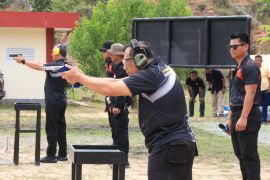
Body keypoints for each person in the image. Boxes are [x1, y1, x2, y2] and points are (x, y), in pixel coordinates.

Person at [61, 39, 197, 180]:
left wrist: (81, 78)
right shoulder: (157, 69)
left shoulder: (152, 75)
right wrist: (83, 78)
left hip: (169, 145)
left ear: (139, 58)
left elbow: (110, 89)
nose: (124, 66)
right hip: (175, 144)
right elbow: (116, 82)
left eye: (126, 61)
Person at [15, 44, 69, 163]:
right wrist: (27, 60)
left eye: (52, 52)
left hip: (53, 102)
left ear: (57, 53)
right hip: (61, 100)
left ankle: (51, 155)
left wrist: (23, 61)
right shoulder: (64, 64)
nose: (51, 54)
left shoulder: (56, 66)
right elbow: (40, 63)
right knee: (60, 127)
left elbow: (38, 66)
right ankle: (62, 154)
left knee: (51, 128)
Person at [226, 33, 261, 180]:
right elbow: (234, 95)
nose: (232, 49)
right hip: (236, 114)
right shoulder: (238, 67)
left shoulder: (250, 66)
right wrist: (230, 118)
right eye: (230, 47)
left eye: (235, 46)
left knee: (249, 155)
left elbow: (250, 93)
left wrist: (243, 117)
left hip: (247, 115)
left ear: (245, 47)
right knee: (240, 153)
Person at [107, 43, 132, 167]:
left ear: (117, 55)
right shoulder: (118, 66)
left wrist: (118, 105)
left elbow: (121, 89)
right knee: (117, 133)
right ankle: (117, 158)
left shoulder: (122, 68)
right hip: (116, 104)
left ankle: (122, 160)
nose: (110, 55)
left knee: (121, 134)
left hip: (120, 107)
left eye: (111, 53)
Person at [99, 41, 115, 144]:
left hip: (115, 98)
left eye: (104, 51)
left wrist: (115, 103)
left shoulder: (115, 64)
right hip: (109, 97)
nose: (103, 53)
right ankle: (115, 144)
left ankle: (118, 147)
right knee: (112, 124)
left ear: (110, 52)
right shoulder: (108, 63)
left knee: (116, 125)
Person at [255, 55, 270, 124]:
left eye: (259, 60)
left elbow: (269, 78)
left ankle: (264, 120)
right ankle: (257, 120)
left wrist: (269, 87)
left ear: (261, 61)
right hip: (255, 90)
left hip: (265, 89)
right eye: (256, 60)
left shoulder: (266, 68)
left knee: (265, 105)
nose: (257, 61)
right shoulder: (253, 69)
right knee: (256, 105)